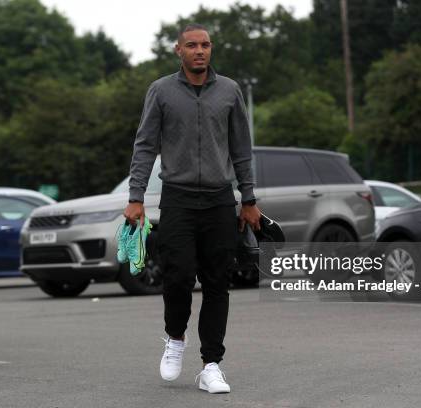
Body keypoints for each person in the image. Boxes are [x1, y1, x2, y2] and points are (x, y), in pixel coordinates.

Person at [123, 23, 261, 394]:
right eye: (192, 45)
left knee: (218, 283)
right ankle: (175, 338)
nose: (200, 51)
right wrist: (136, 197)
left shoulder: (230, 91)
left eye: (205, 45)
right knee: (178, 276)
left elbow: (241, 150)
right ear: (178, 50)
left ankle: (211, 364)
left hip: (219, 199)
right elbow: (145, 146)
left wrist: (248, 199)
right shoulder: (161, 91)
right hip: (179, 198)